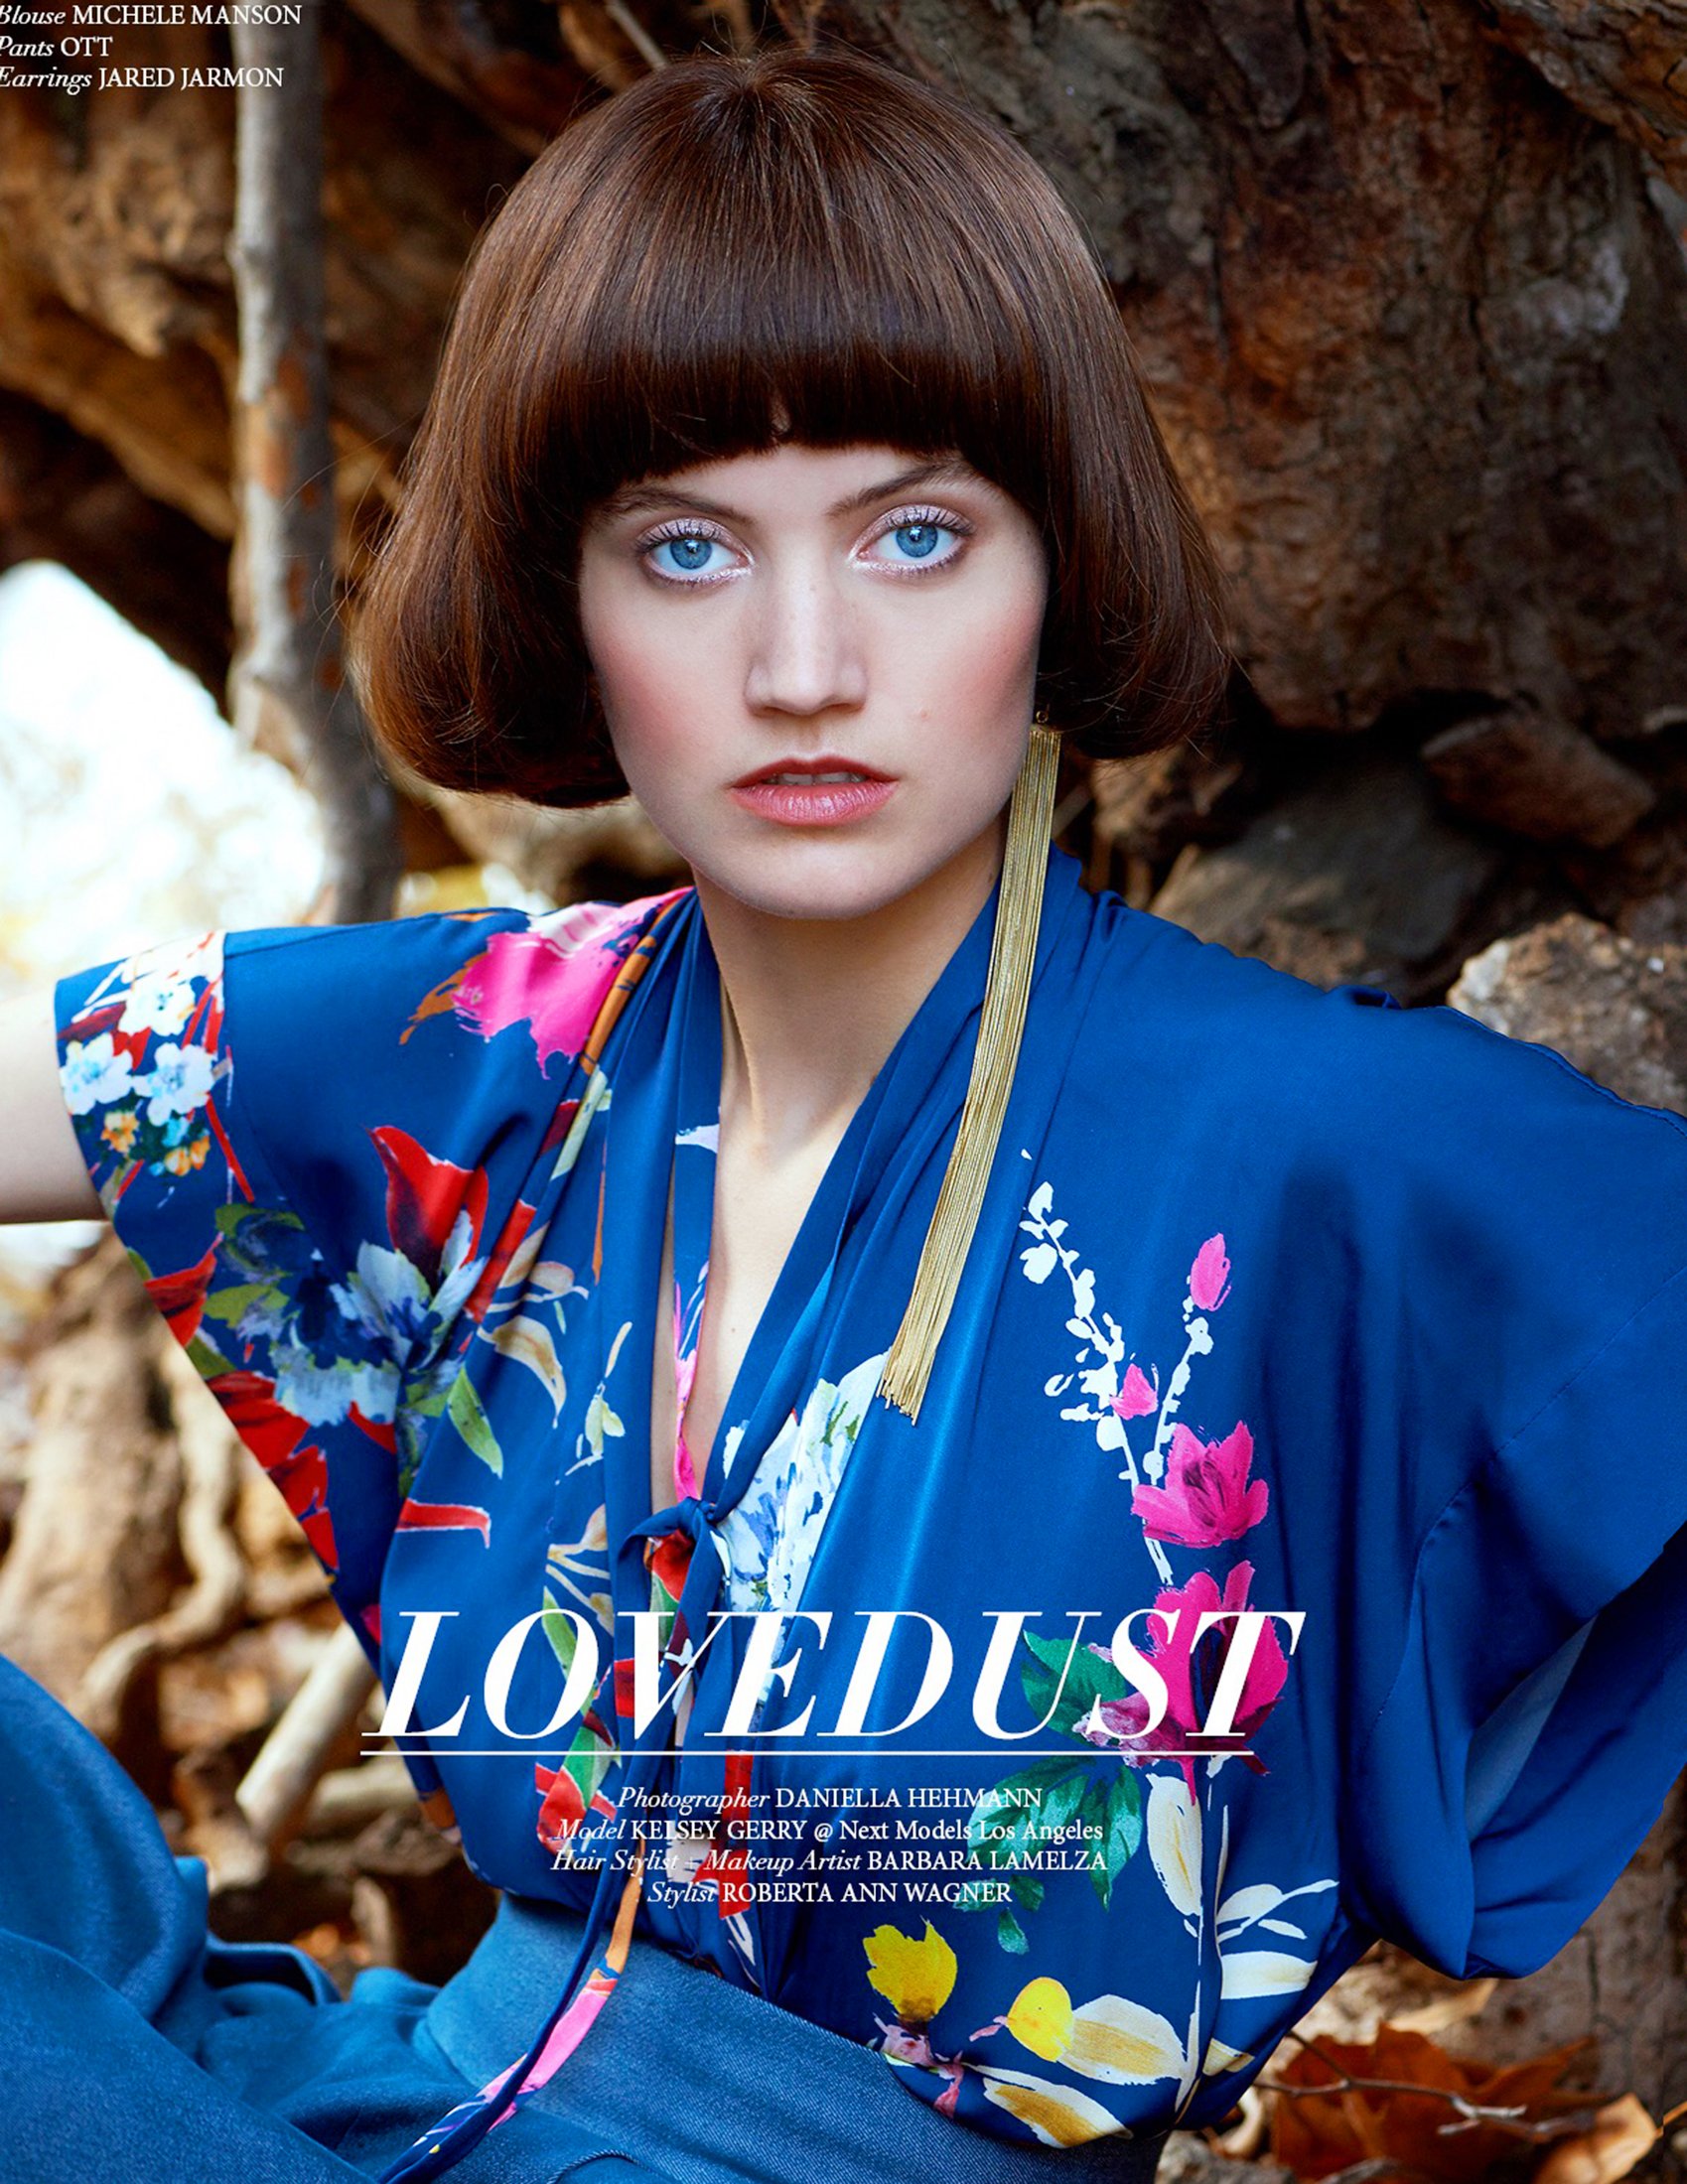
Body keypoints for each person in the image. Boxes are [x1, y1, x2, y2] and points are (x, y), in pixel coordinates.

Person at [2, 38, 1686, 2184]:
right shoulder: (483, 1045)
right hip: (354, 2096)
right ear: (570, 603)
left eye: (911, 533)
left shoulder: (1318, 1143)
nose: (806, 662)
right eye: (687, 549)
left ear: (1051, 567)